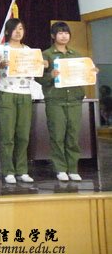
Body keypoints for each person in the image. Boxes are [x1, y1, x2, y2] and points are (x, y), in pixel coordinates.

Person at [36, 21, 97, 181]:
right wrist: (50, 76)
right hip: (55, 100)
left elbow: (84, 74)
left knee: (73, 135)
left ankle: (73, 168)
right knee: (57, 135)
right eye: (60, 33)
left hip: (75, 100)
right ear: (53, 35)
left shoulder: (76, 55)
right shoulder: (46, 54)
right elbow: (38, 77)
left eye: (66, 33)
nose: (64, 36)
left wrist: (91, 72)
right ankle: (60, 168)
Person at [0, 19, 34, 184]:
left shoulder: (29, 51)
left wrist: (40, 65)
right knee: (7, 135)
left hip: (25, 94)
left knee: (23, 135)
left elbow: (35, 70)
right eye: (15, 29)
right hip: (7, 93)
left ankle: (22, 170)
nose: (18, 32)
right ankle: (8, 171)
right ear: (7, 31)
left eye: (21, 29)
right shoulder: (0, 49)